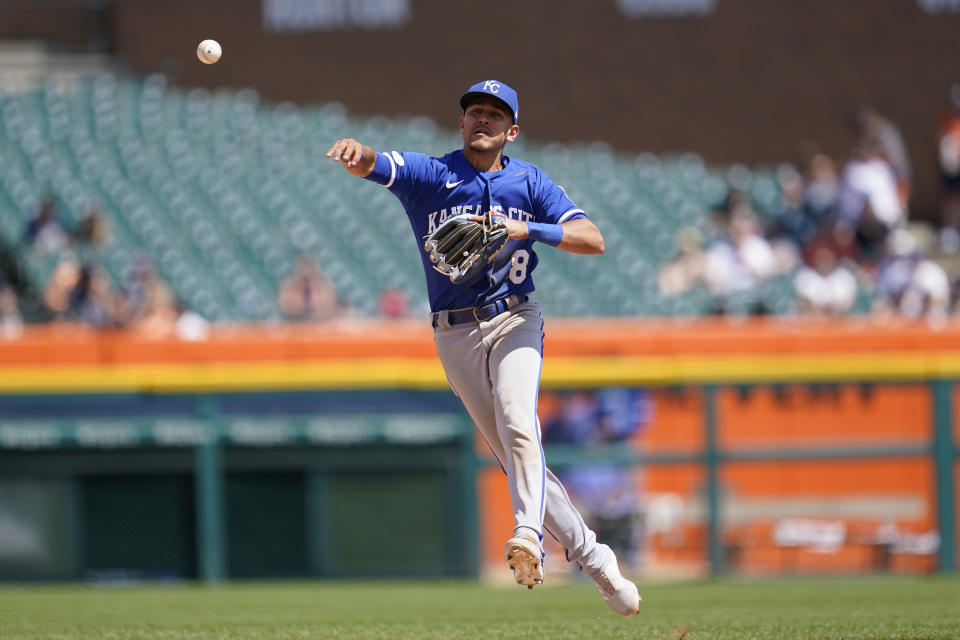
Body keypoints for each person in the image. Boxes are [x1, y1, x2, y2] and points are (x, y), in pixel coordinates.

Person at [326, 80, 640, 617]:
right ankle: (595, 558)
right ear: (463, 122)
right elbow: (381, 165)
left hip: (515, 316)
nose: (483, 120)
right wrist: (359, 156)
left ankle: (528, 535)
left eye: (495, 115)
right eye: (475, 112)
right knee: (515, 454)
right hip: (453, 333)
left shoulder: (529, 181)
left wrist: (529, 228)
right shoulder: (435, 175)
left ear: (511, 130)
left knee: (520, 422)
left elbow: (594, 238)